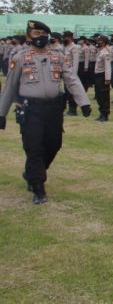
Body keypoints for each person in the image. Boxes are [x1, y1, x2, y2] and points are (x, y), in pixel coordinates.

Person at [0, 20, 92, 204]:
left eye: (43, 33)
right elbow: (10, 87)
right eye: (36, 34)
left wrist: (84, 102)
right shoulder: (20, 58)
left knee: (54, 144)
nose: (40, 37)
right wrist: (2, 113)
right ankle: (38, 187)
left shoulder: (57, 56)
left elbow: (71, 79)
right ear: (28, 37)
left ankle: (32, 173)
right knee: (34, 148)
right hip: (30, 109)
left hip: (52, 109)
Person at [93, 35, 113, 122]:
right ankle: (101, 113)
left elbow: (108, 67)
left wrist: (107, 79)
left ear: (104, 42)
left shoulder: (106, 52)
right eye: (97, 41)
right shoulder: (99, 51)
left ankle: (105, 114)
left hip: (103, 76)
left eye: (99, 41)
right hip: (97, 75)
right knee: (98, 95)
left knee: (104, 96)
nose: (97, 42)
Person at [62, 31, 81, 116]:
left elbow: (76, 62)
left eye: (65, 37)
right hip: (66, 72)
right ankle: (70, 109)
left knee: (72, 92)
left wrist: (74, 74)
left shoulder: (74, 47)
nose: (64, 39)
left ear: (70, 37)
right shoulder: (65, 47)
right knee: (67, 91)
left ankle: (73, 110)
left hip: (71, 73)